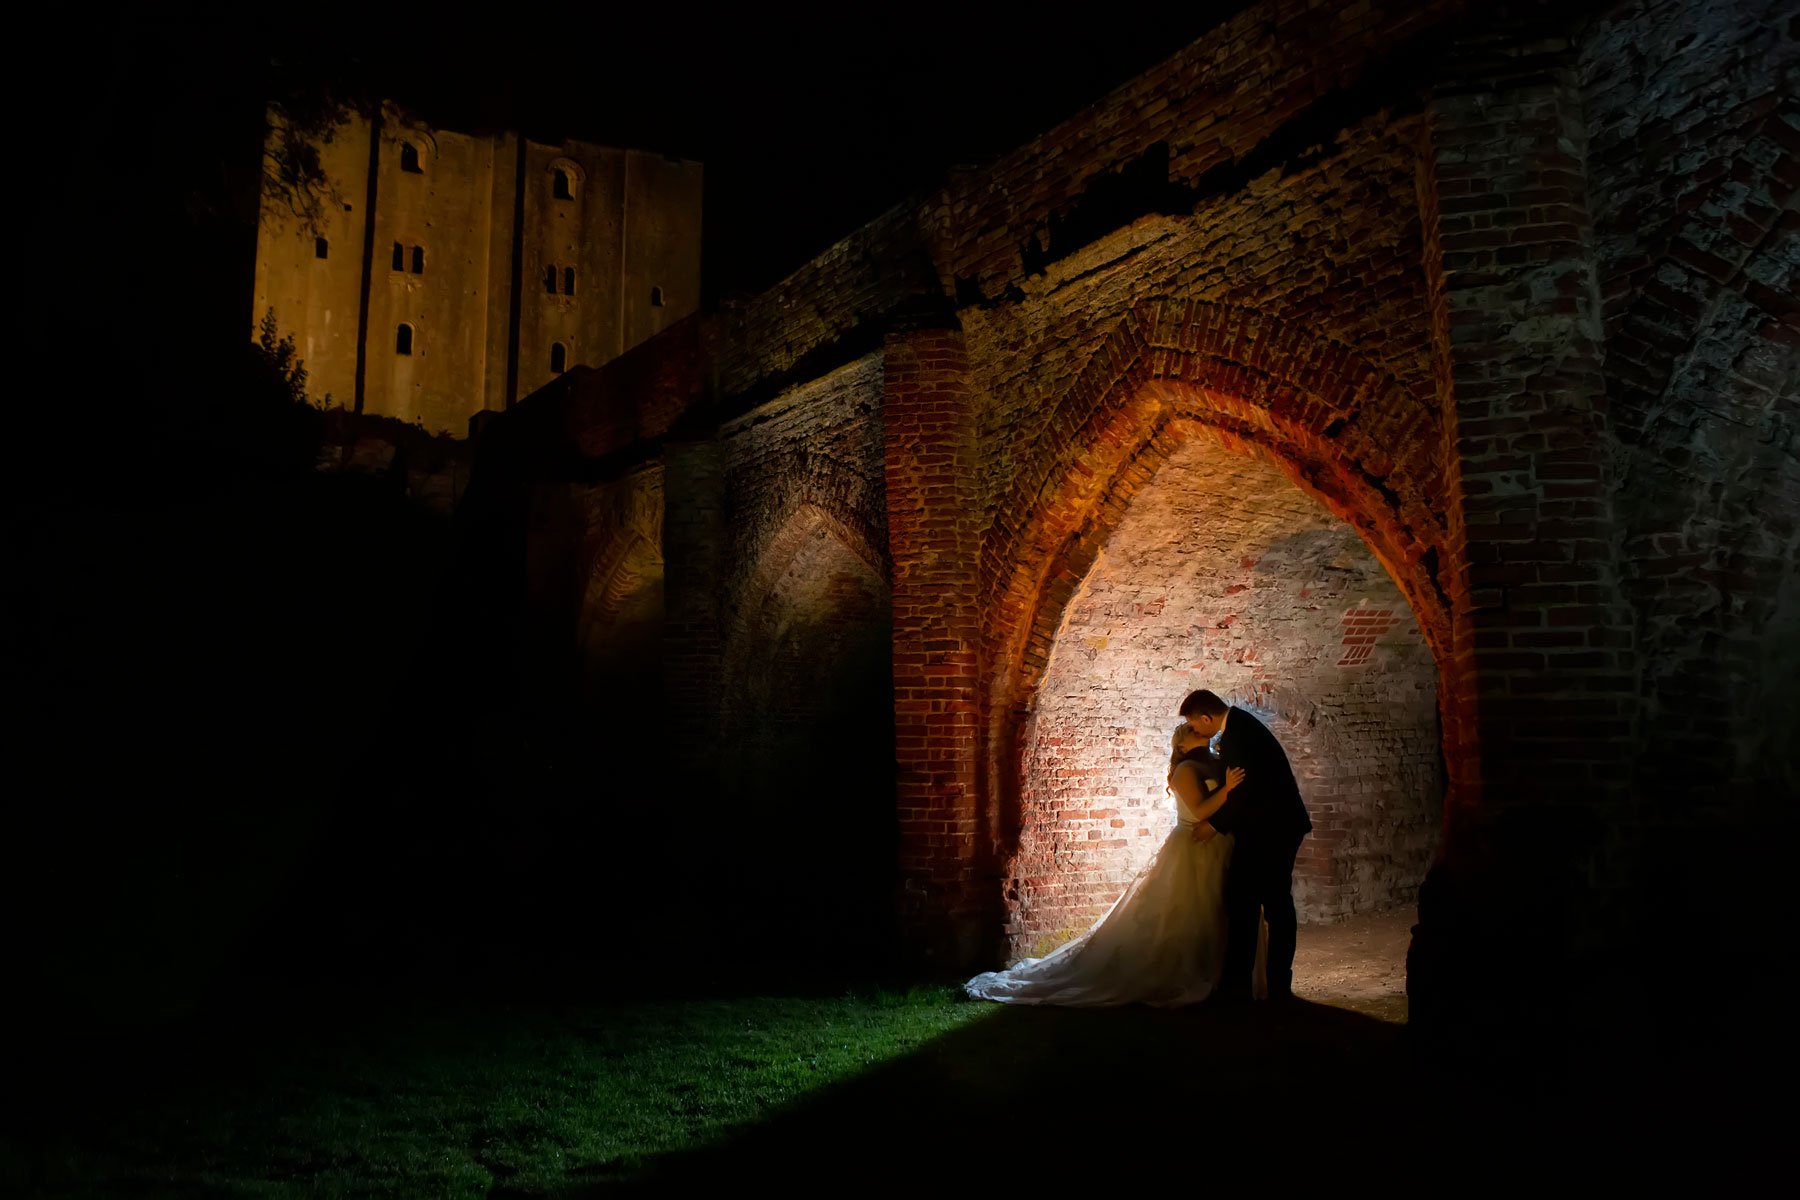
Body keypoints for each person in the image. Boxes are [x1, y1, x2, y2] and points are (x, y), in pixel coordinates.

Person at [963, 725, 1257, 1006]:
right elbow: (1202, 809)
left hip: (1219, 843)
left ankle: (1221, 974)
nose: (1200, 732)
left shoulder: (1217, 762)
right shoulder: (1185, 771)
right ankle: (1185, 973)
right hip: (1193, 846)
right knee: (1188, 911)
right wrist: (1228, 788)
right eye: (1192, 731)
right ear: (1181, 744)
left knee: (1218, 910)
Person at [1179, 688, 1312, 1002]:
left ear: (1207, 717)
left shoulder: (1239, 733)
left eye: (1195, 725)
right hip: (1267, 829)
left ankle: (1249, 985)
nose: (1195, 731)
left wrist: (1214, 825)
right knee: (1254, 903)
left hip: (1271, 831)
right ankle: (1257, 984)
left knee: (1259, 904)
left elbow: (1247, 790)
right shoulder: (1239, 727)